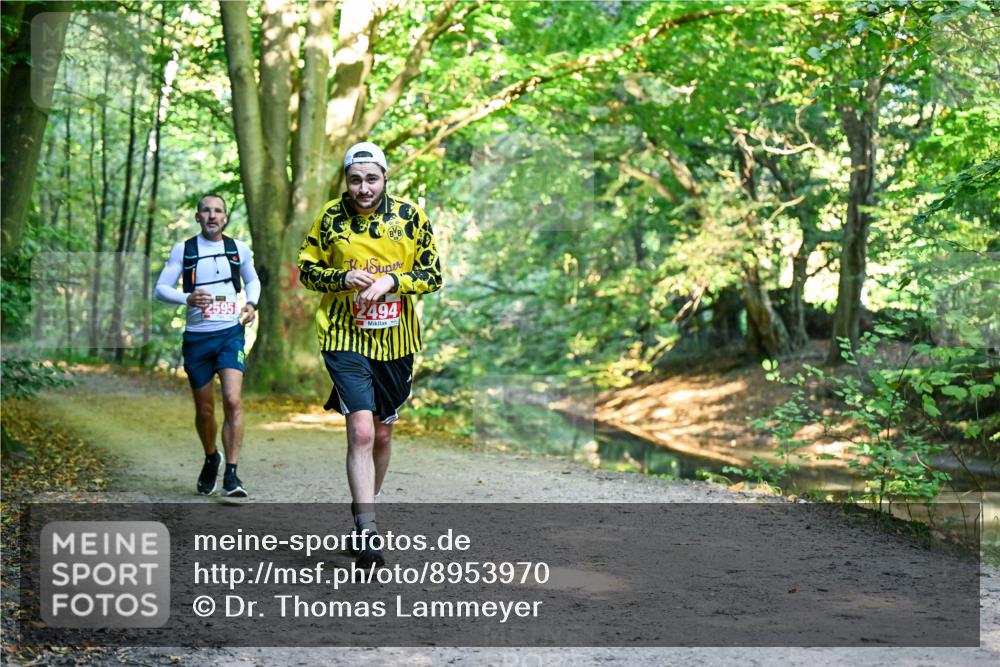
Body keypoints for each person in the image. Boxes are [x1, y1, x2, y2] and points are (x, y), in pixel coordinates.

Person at [297, 142, 442, 566]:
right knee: (360, 431)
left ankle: (367, 505)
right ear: (347, 180)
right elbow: (306, 268)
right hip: (344, 336)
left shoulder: (411, 218)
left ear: (385, 177)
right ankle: (367, 531)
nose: (363, 188)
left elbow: (432, 275)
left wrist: (393, 281)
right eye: (356, 179)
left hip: (396, 341)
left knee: (381, 433)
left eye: (371, 179)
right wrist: (342, 277)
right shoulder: (329, 218)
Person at [155, 194, 260, 497]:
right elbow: (160, 289)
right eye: (206, 211)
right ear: (198, 217)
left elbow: (253, 281)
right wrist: (186, 298)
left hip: (230, 333)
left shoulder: (238, 249)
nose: (212, 215)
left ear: (225, 218)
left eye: (218, 211)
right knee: (204, 409)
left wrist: (252, 303)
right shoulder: (184, 250)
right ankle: (212, 456)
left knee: (232, 400)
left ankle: (232, 474)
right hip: (197, 338)